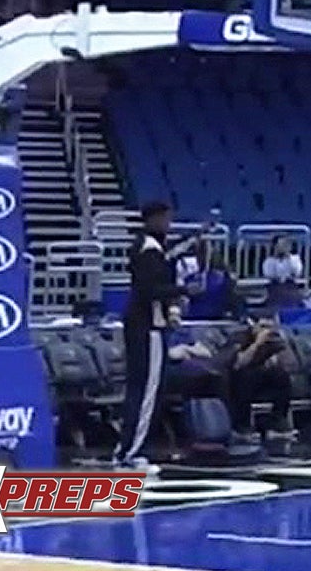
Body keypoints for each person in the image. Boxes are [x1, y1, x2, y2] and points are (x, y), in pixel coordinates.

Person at [115, 201, 187, 470]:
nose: (169, 223)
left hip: (143, 325)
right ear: (153, 219)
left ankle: (127, 448)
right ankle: (131, 453)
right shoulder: (148, 249)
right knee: (146, 391)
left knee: (141, 389)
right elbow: (150, 289)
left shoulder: (152, 248)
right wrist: (182, 291)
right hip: (146, 326)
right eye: (166, 218)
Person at [261, 235, 305, 313]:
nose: (282, 247)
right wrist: (275, 258)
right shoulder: (269, 261)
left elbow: (297, 272)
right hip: (275, 287)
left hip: (290, 286)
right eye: (279, 245)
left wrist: (288, 257)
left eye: (285, 245)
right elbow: (268, 274)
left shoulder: (295, 259)